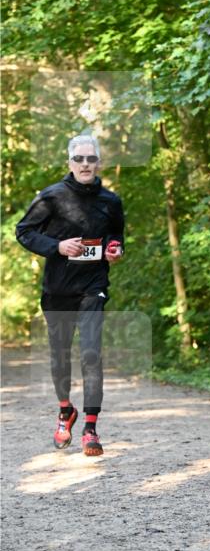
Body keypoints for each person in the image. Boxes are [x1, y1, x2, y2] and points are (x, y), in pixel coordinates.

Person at [16, 135, 124, 456]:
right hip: (57, 290)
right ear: (70, 163)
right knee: (59, 357)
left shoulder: (111, 201)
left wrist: (115, 249)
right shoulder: (51, 197)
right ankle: (66, 411)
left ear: (99, 163)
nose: (86, 164)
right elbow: (23, 231)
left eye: (91, 159)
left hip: (93, 287)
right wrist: (57, 247)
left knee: (91, 354)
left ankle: (90, 428)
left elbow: (116, 236)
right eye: (79, 159)